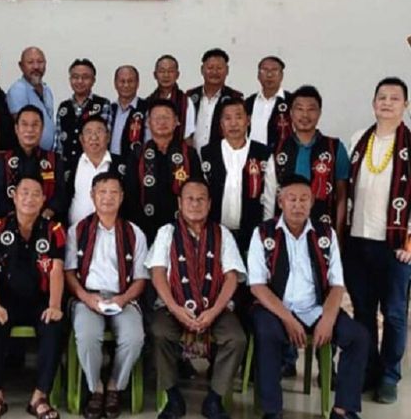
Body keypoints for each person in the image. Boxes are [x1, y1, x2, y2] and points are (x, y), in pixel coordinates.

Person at [248, 175, 368, 419]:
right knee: (267, 332)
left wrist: (328, 319)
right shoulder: (263, 233)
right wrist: (287, 318)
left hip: (315, 309)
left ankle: (343, 410)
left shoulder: (326, 234)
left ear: (312, 202)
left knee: (358, 337)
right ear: (281, 202)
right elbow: (257, 286)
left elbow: (337, 284)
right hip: (275, 309)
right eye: (291, 199)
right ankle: (272, 410)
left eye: (304, 199)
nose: (298, 205)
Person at [145, 178, 247, 419]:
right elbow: (157, 274)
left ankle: (215, 399)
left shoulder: (222, 233)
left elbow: (232, 277)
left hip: (215, 308)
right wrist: (175, 308)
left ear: (210, 204)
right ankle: (172, 397)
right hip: (173, 307)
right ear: (180, 203)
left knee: (236, 338)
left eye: (201, 199)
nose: (195, 204)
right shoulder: (166, 233)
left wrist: (213, 312)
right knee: (159, 332)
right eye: (189, 199)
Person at [344, 77, 411, 403]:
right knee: (363, 311)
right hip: (358, 240)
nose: (387, 103)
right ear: (373, 103)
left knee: (395, 314)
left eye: (394, 98)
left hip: (396, 245)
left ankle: (389, 375)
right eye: (382, 97)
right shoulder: (359, 139)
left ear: (405, 105)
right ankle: (368, 369)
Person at [0, 174, 66, 419]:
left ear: (43, 199)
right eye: (24, 193)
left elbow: (57, 270)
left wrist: (55, 305)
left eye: (36, 194)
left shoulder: (54, 230)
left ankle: (39, 397)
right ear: (14, 197)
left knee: (54, 326)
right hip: (6, 300)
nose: (30, 198)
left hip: (41, 300)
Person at [65, 172, 147, 419]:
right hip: (87, 297)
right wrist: (86, 297)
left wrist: (122, 299)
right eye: (102, 192)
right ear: (92, 196)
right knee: (87, 336)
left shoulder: (134, 233)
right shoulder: (77, 231)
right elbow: (69, 273)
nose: (108, 197)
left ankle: (114, 386)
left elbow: (141, 278)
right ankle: (96, 388)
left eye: (113, 192)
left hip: (123, 297)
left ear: (122, 197)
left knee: (134, 337)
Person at [200, 97, 277, 253]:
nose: (233, 123)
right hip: (214, 231)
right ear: (221, 123)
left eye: (238, 117)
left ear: (248, 120)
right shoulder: (207, 152)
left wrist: (266, 229)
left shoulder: (262, 153)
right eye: (227, 118)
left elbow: (270, 194)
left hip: (252, 232)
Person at [273, 85, 348, 237]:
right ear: (291, 113)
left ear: (319, 113)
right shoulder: (277, 148)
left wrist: (339, 236)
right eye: (299, 109)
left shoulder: (334, 148)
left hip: (324, 229)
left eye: (311, 109)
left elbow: (342, 197)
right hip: (284, 231)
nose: (305, 115)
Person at [124, 99, 201, 243]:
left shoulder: (189, 154)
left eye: (166, 117)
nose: (161, 122)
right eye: (157, 118)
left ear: (176, 121)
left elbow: (198, 190)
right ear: (148, 123)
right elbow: (130, 195)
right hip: (145, 229)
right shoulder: (137, 155)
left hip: (183, 229)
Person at [0, 105, 65, 221]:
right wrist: (18, 219)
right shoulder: (4, 159)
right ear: (16, 129)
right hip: (11, 222)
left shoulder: (54, 159)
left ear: (42, 129)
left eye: (35, 125)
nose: (30, 130)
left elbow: (61, 194)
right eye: (24, 124)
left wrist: (46, 214)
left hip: (47, 221)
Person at [65, 115, 124, 227]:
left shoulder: (122, 165)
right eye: (88, 132)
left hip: (112, 233)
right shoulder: (69, 165)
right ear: (81, 139)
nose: (94, 137)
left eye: (99, 131)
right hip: (74, 232)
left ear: (108, 137)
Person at [55, 58, 111, 166]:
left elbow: (106, 139)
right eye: (75, 77)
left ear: (93, 80)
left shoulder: (102, 104)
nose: (80, 81)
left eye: (85, 77)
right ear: (70, 79)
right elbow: (58, 143)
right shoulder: (63, 107)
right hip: (66, 166)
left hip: (94, 165)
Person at [187, 48, 243, 150]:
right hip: (191, 156)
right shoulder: (190, 97)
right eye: (210, 68)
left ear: (227, 70)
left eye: (219, 68)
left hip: (223, 156)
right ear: (202, 70)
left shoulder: (235, 98)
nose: (214, 72)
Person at [7, 47, 56, 151]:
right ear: (21, 66)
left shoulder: (47, 90)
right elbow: (23, 128)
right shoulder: (18, 90)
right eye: (30, 62)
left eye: (40, 62)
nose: (36, 67)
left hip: (47, 155)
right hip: (29, 154)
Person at [244, 56, 292, 150]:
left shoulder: (291, 101)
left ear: (281, 75)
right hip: (252, 156)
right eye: (265, 70)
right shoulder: (248, 103)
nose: (269, 75)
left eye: (274, 70)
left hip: (281, 154)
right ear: (258, 75)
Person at [144, 54, 196, 141]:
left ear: (177, 75)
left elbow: (188, 136)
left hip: (177, 148)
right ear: (155, 75)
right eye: (162, 71)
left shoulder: (185, 101)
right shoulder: (148, 102)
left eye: (170, 71)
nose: (166, 75)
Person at [108, 65, 149, 159]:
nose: (126, 85)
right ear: (115, 84)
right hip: (110, 163)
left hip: (136, 163)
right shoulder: (109, 109)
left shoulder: (146, 108)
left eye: (130, 81)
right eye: (122, 81)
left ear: (137, 83)